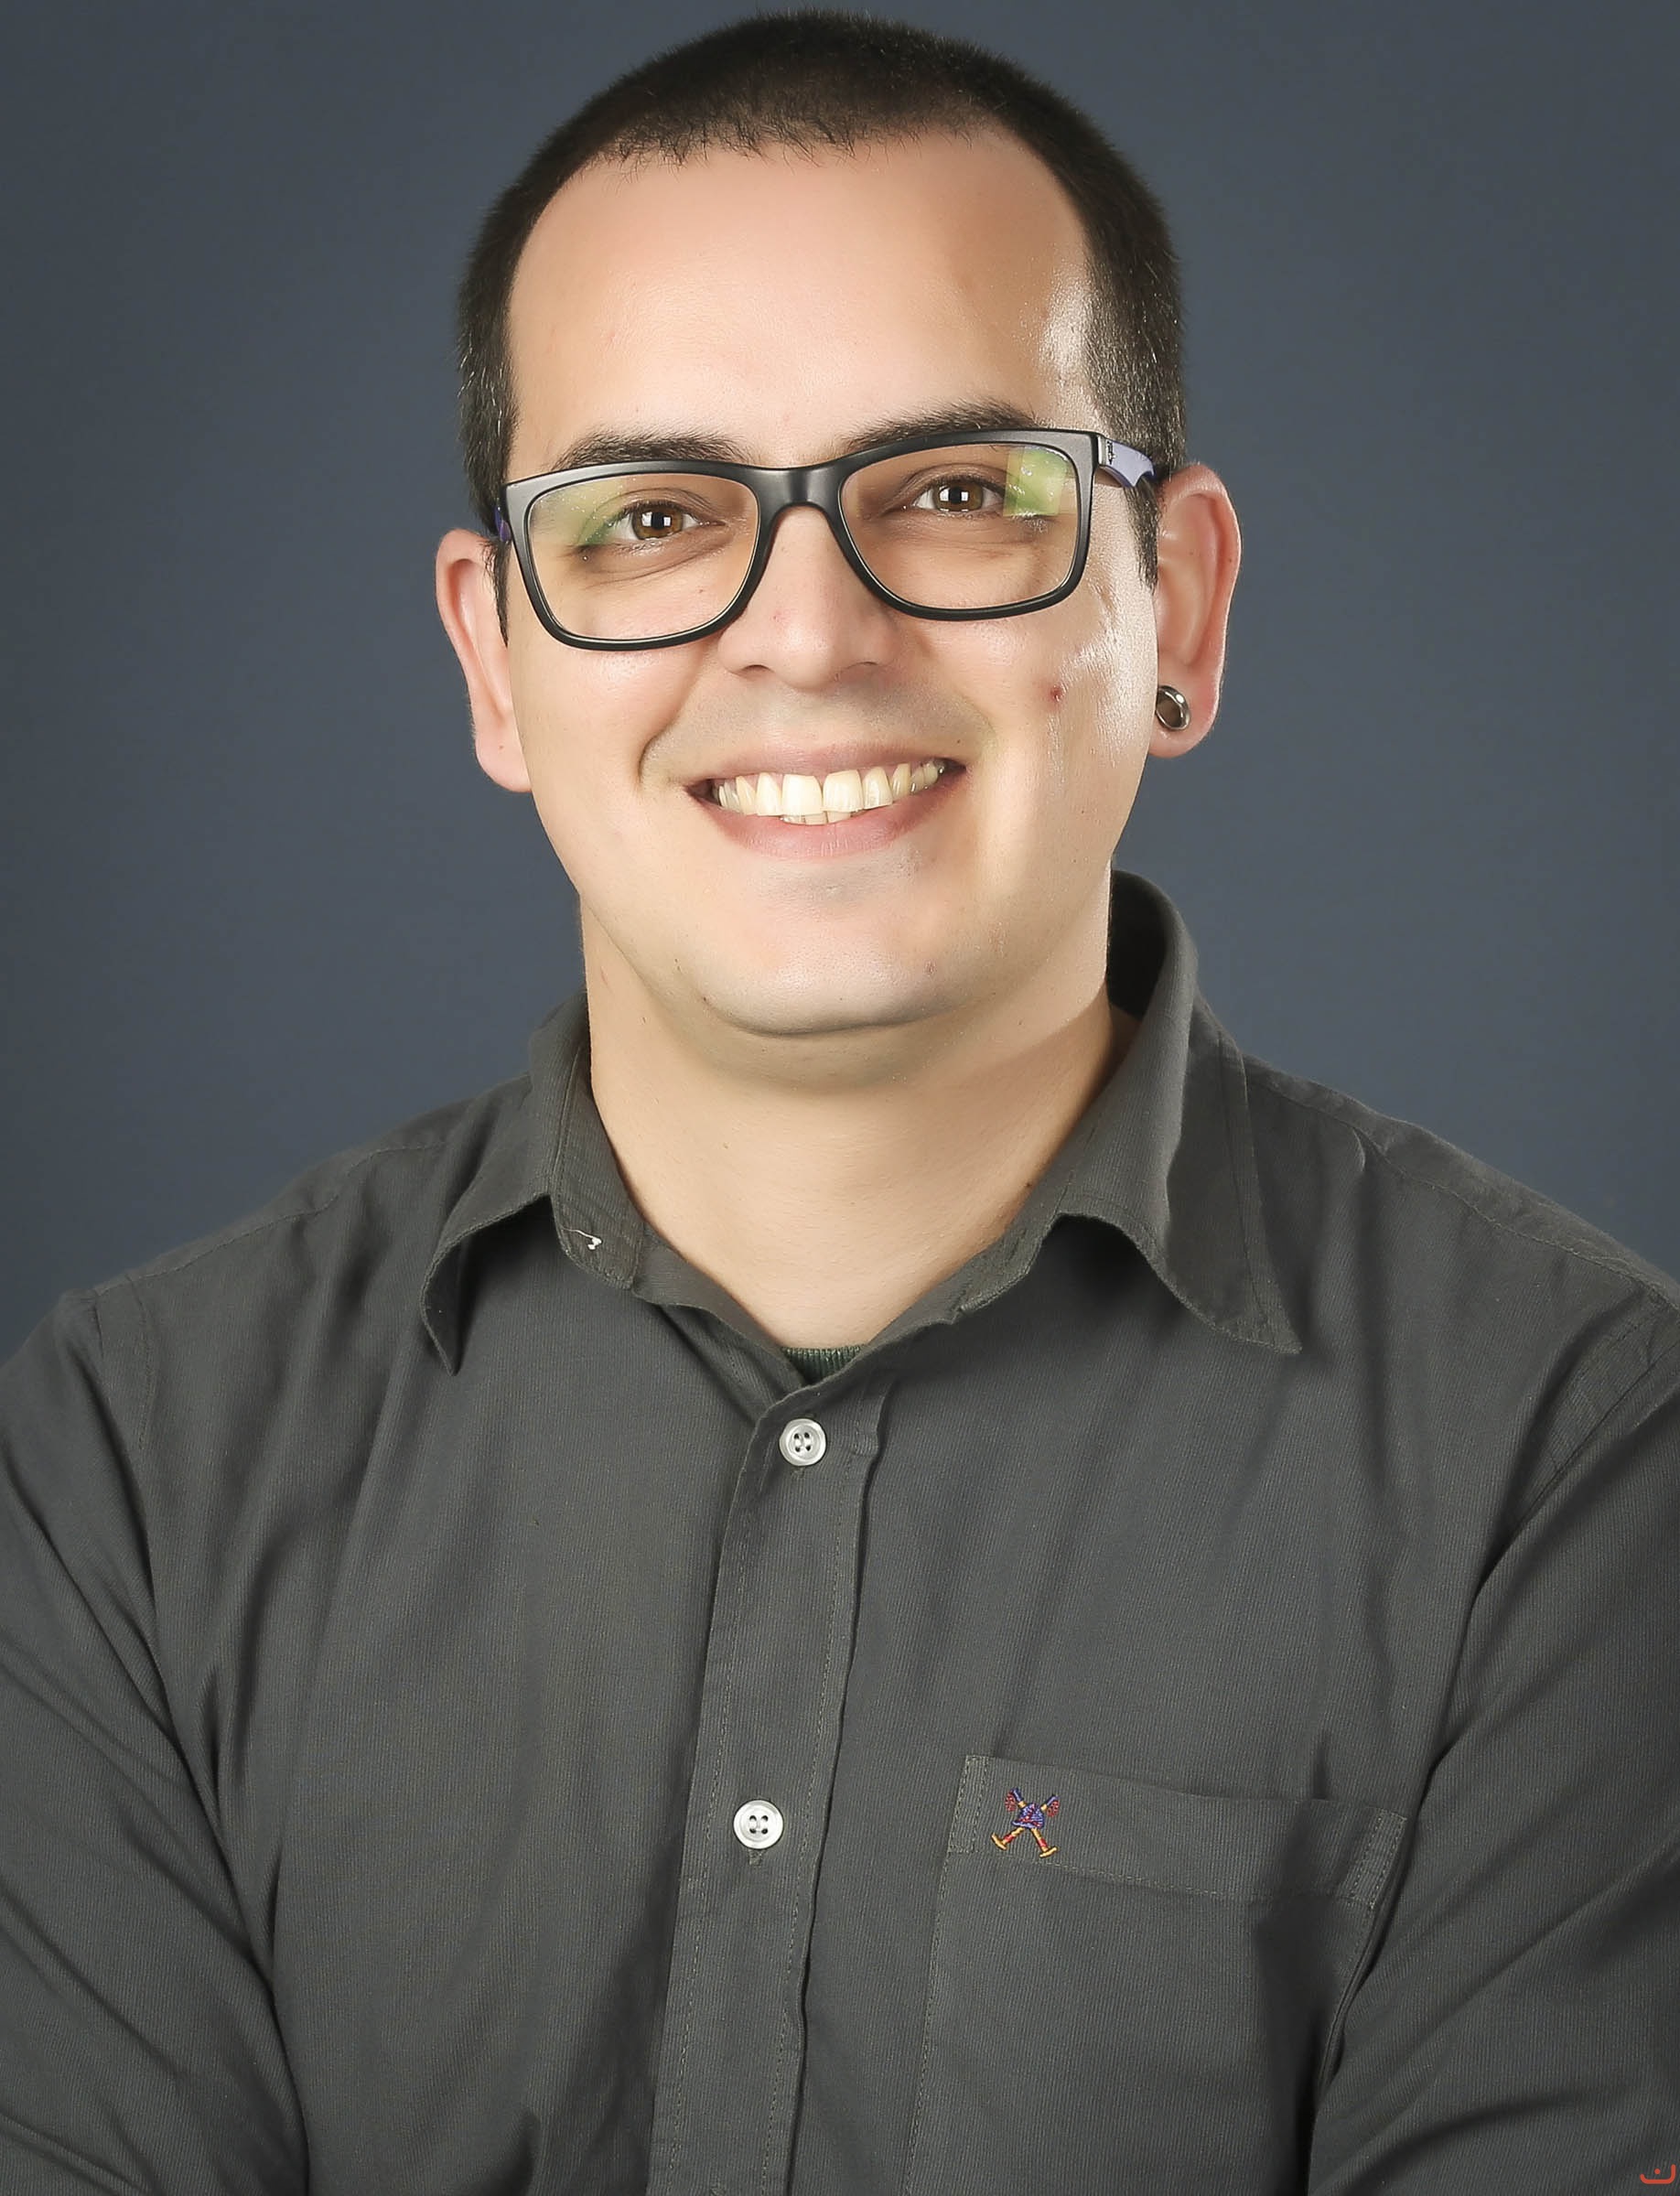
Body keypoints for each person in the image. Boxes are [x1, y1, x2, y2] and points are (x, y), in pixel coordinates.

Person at [2, 12, 1675, 2192]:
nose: (805, 636)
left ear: (1175, 604)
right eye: (652, 517)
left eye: (961, 493)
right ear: (496, 660)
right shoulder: (128, 1464)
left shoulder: (1579, 1458)